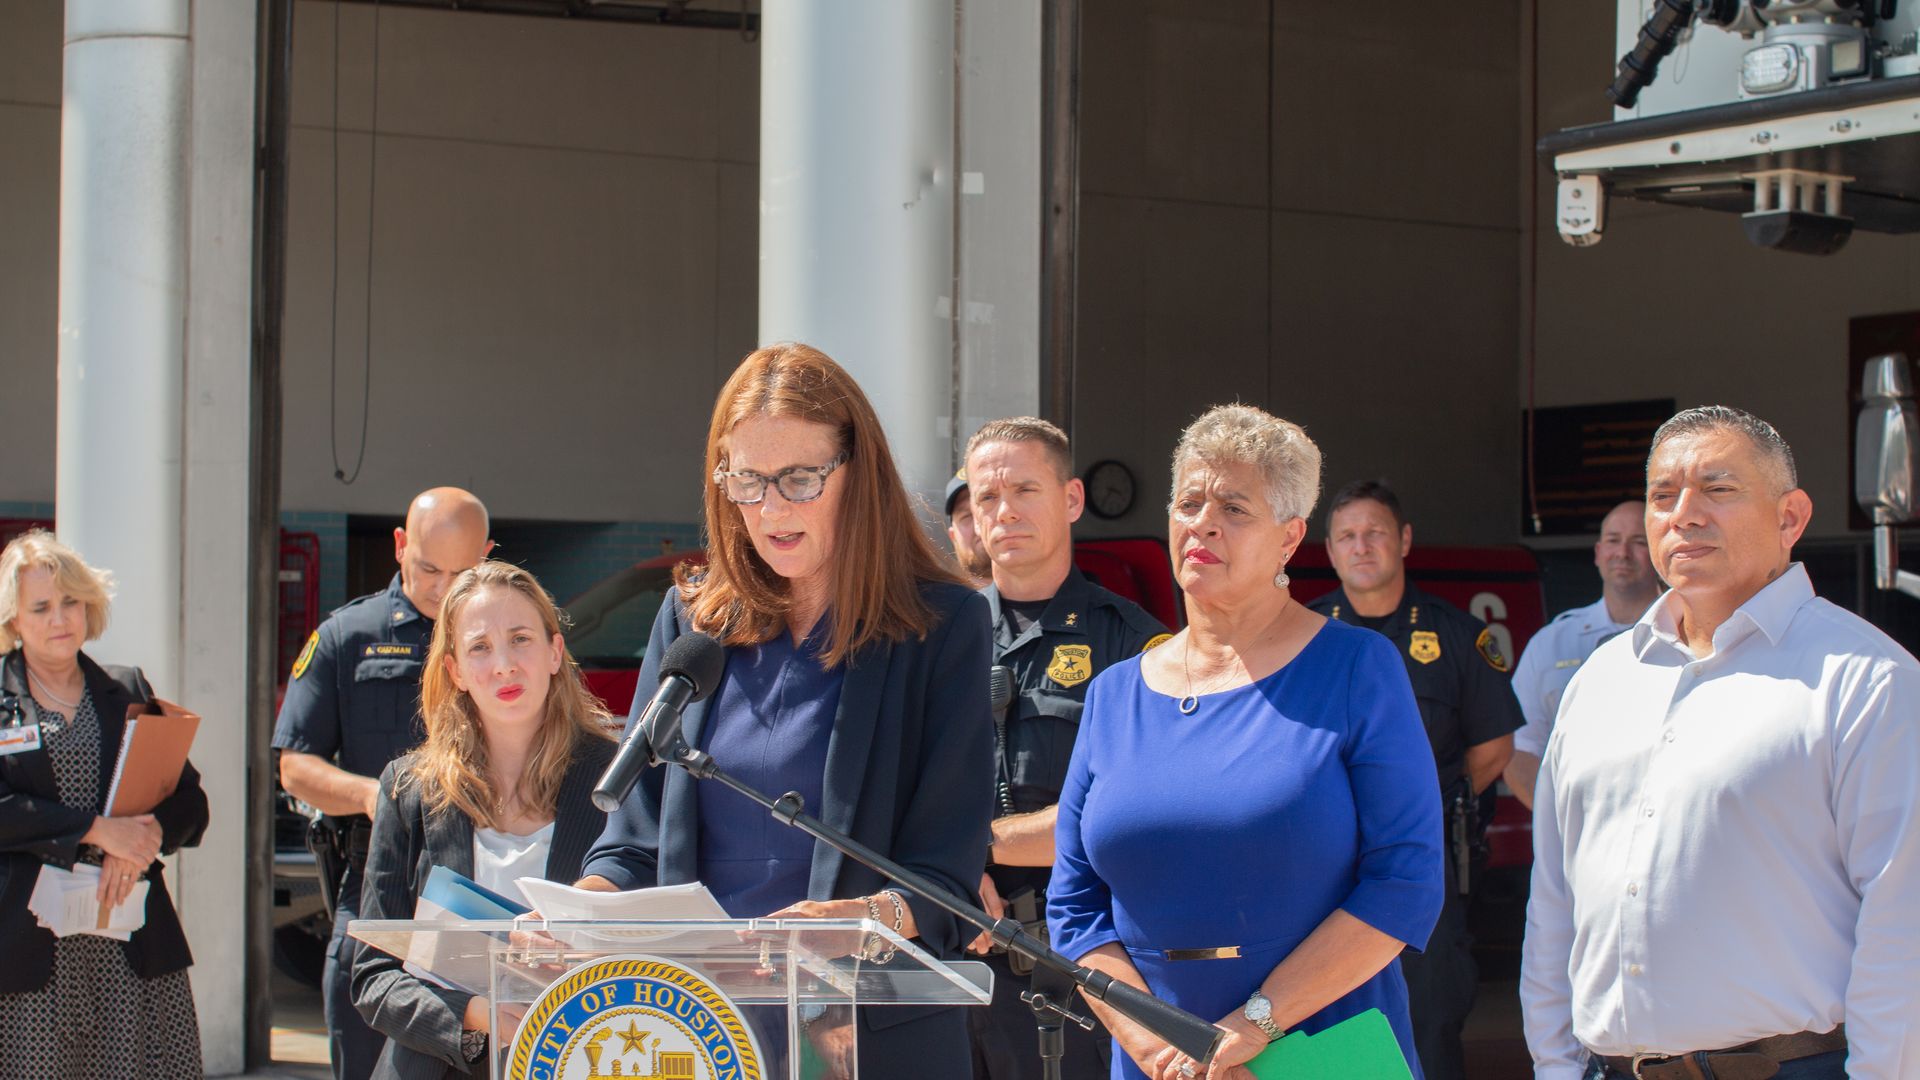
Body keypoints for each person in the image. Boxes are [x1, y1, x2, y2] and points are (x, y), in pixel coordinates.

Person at [575, 343, 995, 1079]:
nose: (771, 508)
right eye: (747, 480)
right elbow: (634, 841)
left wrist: (859, 921)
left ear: (857, 473)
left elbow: (948, 880)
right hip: (699, 1036)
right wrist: (577, 912)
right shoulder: (692, 621)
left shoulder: (941, 625)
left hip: (870, 1039)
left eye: (800, 478)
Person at [1522, 407, 1920, 1080]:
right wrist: (1555, 1066)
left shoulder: (1865, 679)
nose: (1684, 514)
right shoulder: (1600, 682)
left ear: (1790, 517)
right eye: (1662, 495)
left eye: (1718, 488)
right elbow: (1555, 899)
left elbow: (1903, 918)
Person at [1049, 405, 1444, 1080]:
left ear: (1289, 539)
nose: (1203, 523)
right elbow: (1074, 906)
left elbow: (1405, 883)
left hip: (1313, 1052)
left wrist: (1256, 1025)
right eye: (1189, 503)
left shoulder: (1356, 668)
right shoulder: (1114, 694)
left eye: (1234, 508)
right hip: (1157, 1066)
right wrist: (1155, 1045)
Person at [352, 560, 617, 1079]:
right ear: (455, 671)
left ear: (555, 652)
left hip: (578, 1059)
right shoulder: (410, 788)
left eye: (520, 639)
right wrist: (476, 1015)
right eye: (480, 647)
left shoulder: (618, 781)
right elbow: (373, 976)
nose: (503, 665)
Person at [961, 417, 1168, 1080]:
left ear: (1072, 499)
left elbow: (1124, 818)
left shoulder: (1136, 646)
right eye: (987, 496)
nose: (1005, 511)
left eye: (1025, 489)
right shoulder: (936, 641)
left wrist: (966, 849)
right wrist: (945, 870)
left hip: (1085, 977)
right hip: (958, 969)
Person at [273, 487, 493, 1080]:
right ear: (400, 545)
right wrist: (375, 799)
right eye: (428, 568)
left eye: (461, 573)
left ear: (488, 554)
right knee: (366, 1048)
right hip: (380, 878)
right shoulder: (349, 636)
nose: (443, 588)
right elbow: (295, 766)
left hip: (486, 883)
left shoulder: (506, 636)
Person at [1306, 479, 1521, 1080]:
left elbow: (1494, 746)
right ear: (1330, 550)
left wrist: (1419, 805)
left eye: (1374, 532)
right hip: (1321, 860)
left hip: (1423, 860)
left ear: (1403, 540)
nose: (1362, 546)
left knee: (1431, 1011)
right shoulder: (1300, 635)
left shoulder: (1457, 635)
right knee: (1322, 1011)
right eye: (1347, 536)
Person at [0, 531, 210, 1079]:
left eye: (70, 601)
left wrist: (142, 839)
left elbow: (191, 803)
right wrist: (96, 831)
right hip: (28, 951)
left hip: (127, 944)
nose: (59, 618)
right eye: (41, 607)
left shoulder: (127, 689)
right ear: (14, 618)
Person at [1502, 500, 1662, 809]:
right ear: (1598, 553)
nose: (1623, 553)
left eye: (1639, 542)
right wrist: (1561, 822)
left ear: (1659, 551)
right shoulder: (1551, 643)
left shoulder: (1689, 634)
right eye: (1613, 540)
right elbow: (1521, 749)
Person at [946, 468, 994, 584]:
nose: (978, 526)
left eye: (985, 509)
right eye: (967, 516)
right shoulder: (932, 595)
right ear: (953, 536)